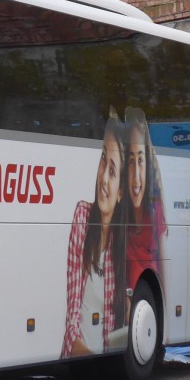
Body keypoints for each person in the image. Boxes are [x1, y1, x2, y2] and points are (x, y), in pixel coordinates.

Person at [62, 114, 126, 358]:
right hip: (81, 356)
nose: (103, 180)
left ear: (120, 192)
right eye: (102, 161)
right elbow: (72, 317)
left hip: (102, 358)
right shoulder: (83, 216)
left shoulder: (121, 246)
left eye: (113, 171)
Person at [121, 107, 166, 312]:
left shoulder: (156, 211)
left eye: (141, 160)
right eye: (131, 162)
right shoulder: (117, 216)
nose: (136, 177)